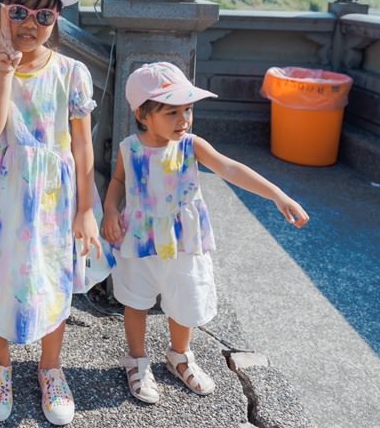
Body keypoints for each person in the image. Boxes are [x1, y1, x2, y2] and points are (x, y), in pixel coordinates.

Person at [0, 0, 111, 426]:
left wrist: (85, 208)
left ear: (56, 20)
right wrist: (4, 71)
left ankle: (51, 368)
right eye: (18, 11)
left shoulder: (71, 73)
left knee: (53, 274)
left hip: (55, 198)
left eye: (44, 15)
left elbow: (82, 145)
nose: (30, 24)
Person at [101, 62, 310, 404]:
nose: (183, 120)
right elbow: (120, 181)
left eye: (188, 110)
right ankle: (137, 361)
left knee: (186, 301)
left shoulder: (191, 145)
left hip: (185, 240)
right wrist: (110, 209)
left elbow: (230, 168)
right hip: (139, 238)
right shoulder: (131, 148)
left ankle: (179, 356)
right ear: (143, 114)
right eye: (172, 112)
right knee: (135, 302)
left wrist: (277, 194)